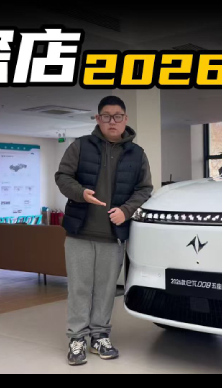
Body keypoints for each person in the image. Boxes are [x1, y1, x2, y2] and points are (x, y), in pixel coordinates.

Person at [55, 96, 153, 366]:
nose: (112, 121)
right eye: (106, 116)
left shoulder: (137, 154)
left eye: (118, 116)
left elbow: (144, 189)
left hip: (113, 234)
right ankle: (77, 338)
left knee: (107, 289)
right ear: (98, 119)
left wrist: (126, 210)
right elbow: (62, 177)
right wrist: (80, 192)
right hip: (80, 232)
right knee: (79, 288)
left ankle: (99, 336)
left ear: (125, 119)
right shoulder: (80, 146)